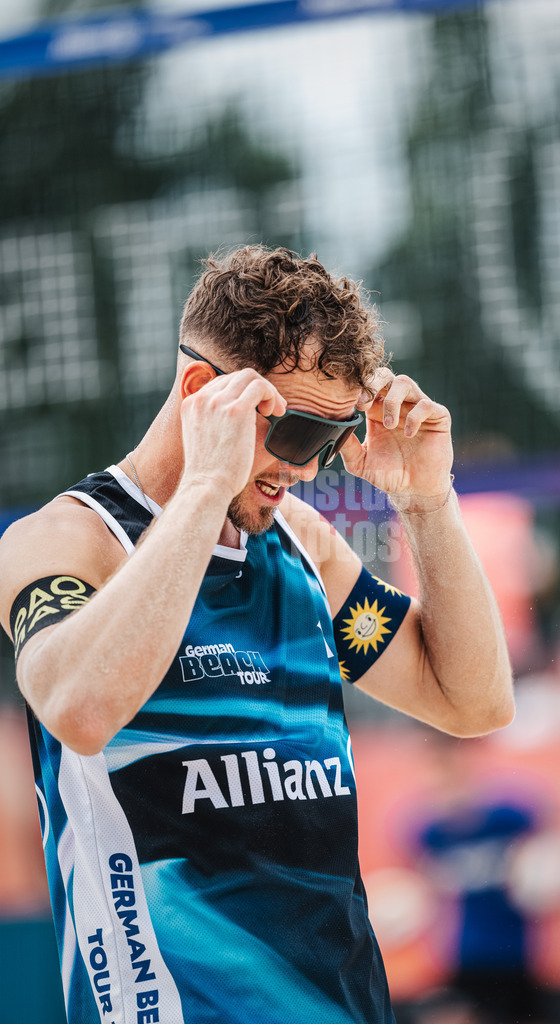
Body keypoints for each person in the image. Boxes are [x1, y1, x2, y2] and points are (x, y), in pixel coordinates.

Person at [0, 246, 514, 1024]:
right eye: (297, 431)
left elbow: (471, 701)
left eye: (332, 437)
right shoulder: (72, 539)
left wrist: (427, 499)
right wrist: (206, 484)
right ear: (203, 392)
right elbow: (77, 707)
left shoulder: (303, 548)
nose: (308, 470)